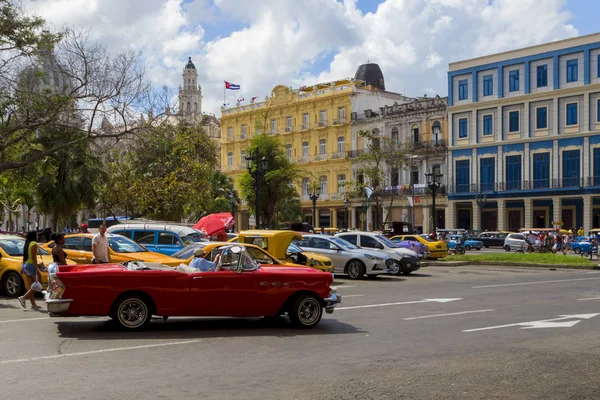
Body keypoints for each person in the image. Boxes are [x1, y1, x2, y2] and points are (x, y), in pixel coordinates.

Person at [17, 231, 42, 310]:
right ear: (34, 236)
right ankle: (23, 297)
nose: (38, 236)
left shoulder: (27, 244)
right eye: (37, 235)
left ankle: (33, 304)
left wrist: (22, 267)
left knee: (31, 286)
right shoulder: (33, 243)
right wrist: (37, 268)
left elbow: (25, 256)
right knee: (38, 285)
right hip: (31, 266)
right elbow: (34, 257)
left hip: (26, 265)